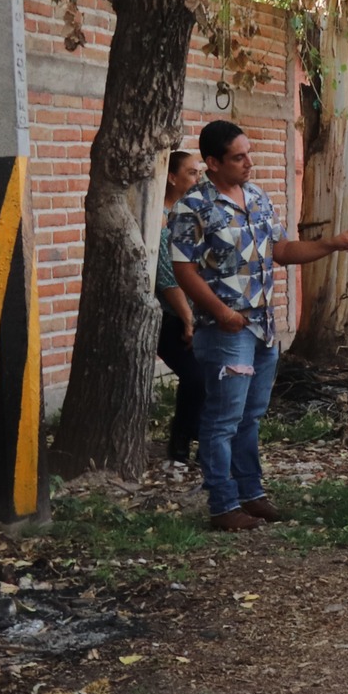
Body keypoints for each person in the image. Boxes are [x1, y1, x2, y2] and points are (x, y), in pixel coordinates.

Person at [169, 121, 348, 532]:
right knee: (222, 419)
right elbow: (182, 268)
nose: (249, 163)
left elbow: (282, 250)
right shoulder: (194, 206)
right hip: (226, 331)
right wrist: (220, 312)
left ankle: (251, 493)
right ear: (212, 162)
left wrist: (331, 244)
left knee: (250, 416)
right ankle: (223, 505)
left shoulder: (257, 196)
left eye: (249, 153)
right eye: (238, 157)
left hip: (263, 327)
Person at [156, 149, 205, 475]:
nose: (197, 178)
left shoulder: (191, 213)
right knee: (196, 378)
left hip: (199, 314)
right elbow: (167, 277)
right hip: (171, 317)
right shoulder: (160, 219)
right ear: (172, 177)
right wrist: (188, 319)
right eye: (191, 172)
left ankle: (201, 447)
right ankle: (179, 450)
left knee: (205, 380)